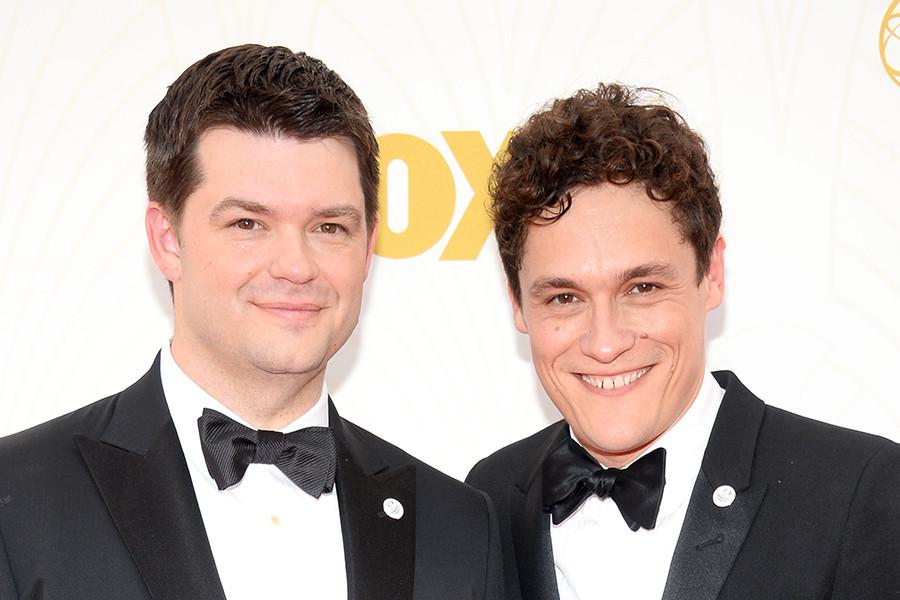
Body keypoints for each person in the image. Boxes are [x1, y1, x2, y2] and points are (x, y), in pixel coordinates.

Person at [0, 44, 503, 600]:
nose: (295, 266)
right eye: (248, 223)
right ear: (168, 240)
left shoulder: (458, 526)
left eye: (329, 227)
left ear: (368, 250)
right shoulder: (17, 502)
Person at [466, 83, 900, 599]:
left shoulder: (854, 493)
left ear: (711, 274)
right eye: (564, 298)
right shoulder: (489, 498)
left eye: (642, 288)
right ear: (517, 303)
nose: (605, 344)